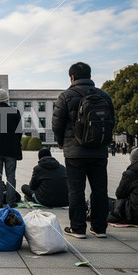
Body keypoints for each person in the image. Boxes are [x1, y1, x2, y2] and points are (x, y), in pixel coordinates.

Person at [52, 62, 114, 239]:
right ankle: (100, 228)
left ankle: (78, 228)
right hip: (99, 151)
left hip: (75, 152)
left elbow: (57, 124)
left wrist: (62, 142)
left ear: (72, 77)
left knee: (76, 190)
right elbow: (111, 122)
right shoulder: (104, 95)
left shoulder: (65, 96)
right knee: (100, 190)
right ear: (89, 75)